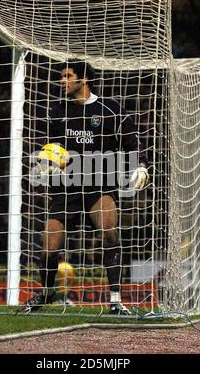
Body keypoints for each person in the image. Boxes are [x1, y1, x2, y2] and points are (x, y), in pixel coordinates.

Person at [19, 59, 149, 315]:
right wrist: (46, 164)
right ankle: (45, 294)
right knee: (48, 247)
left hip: (99, 186)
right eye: (62, 76)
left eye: (68, 76)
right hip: (66, 188)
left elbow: (132, 141)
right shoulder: (57, 111)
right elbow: (52, 150)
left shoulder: (112, 110)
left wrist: (141, 165)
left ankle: (115, 300)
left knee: (110, 233)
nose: (62, 80)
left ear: (84, 79)